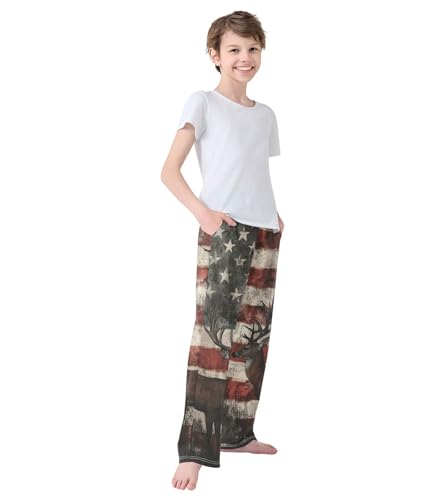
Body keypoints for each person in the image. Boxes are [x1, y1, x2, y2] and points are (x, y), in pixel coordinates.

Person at [160, 10, 284, 491]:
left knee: (253, 338)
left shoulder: (265, 114)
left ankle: (236, 433)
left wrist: (274, 215)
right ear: (215, 55)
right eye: (234, 49)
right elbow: (169, 171)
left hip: (264, 229)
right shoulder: (203, 102)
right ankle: (194, 450)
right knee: (212, 340)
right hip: (224, 230)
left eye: (252, 48)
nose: (244, 57)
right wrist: (205, 216)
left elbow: (251, 169)